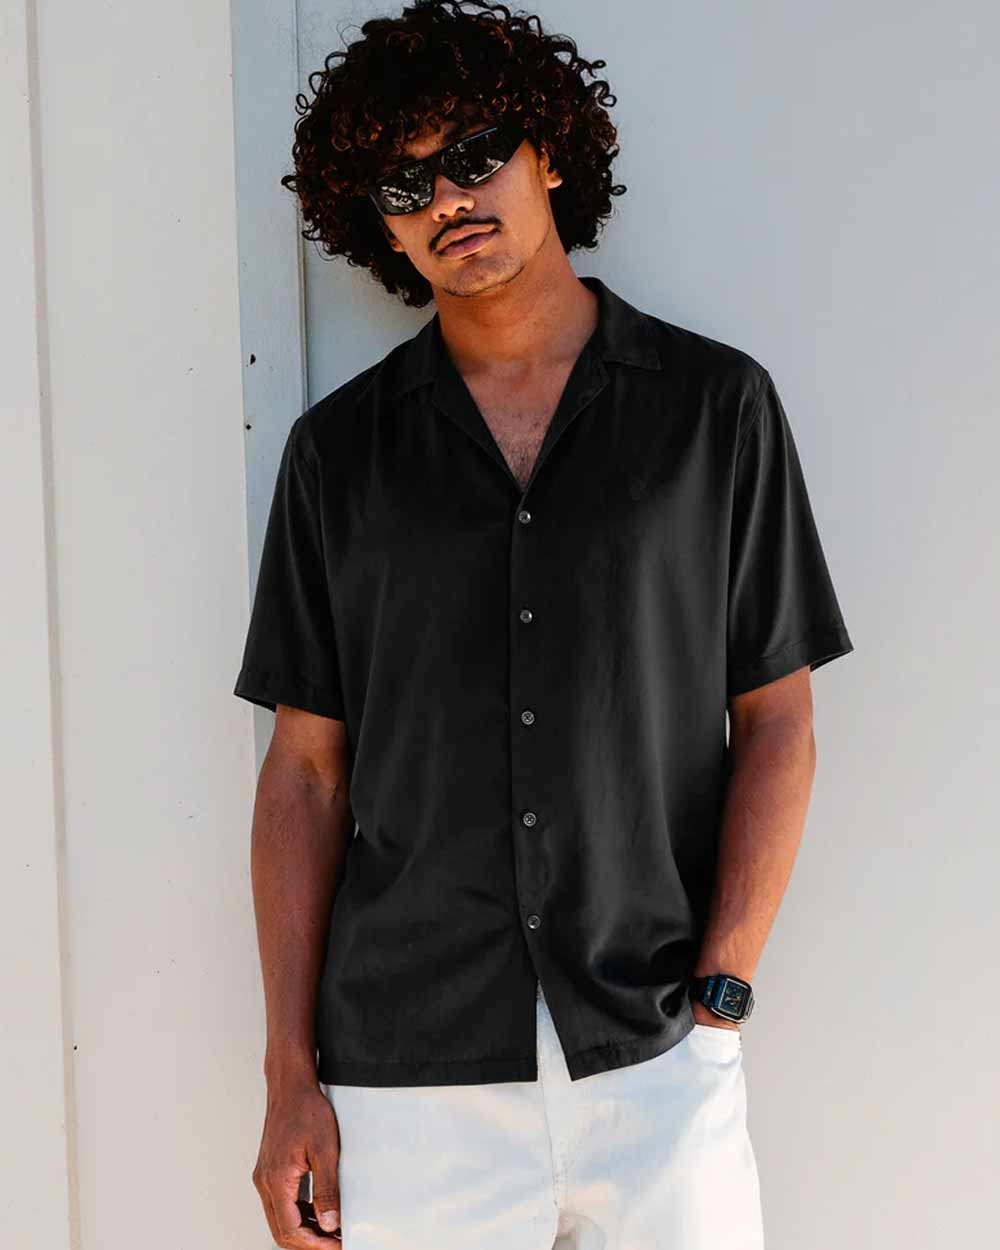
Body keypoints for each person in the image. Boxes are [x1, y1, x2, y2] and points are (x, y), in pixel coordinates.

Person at [233, 2, 854, 1246]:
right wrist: (289, 1073)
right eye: (405, 182)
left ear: (550, 152)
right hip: (407, 1078)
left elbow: (777, 717)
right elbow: (304, 771)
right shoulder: (338, 455)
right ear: (377, 221)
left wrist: (722, 990)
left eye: (475, 154)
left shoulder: (713, 411)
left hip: (657, 1055)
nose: (448, 198)